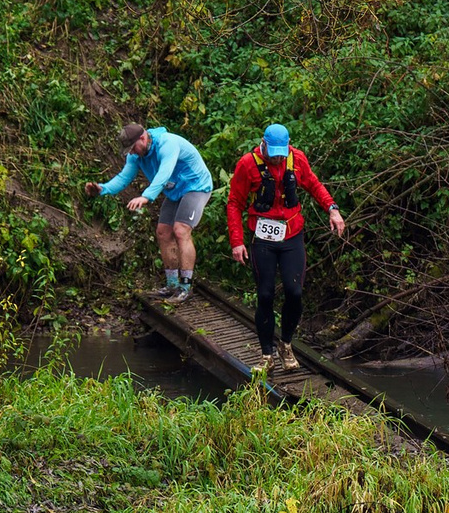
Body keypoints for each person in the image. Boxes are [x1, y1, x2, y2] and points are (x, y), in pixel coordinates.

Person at [225, 123, 344, 373]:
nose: (277, 159)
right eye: (273, 154)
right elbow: (235, 202)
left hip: (291, 234)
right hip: (263, 237)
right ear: (263, 144)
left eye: (281, 154)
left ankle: (286, 344)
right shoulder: (247, 164)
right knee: (265, 294)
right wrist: (237, 241)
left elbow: (314, 185)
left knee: (294, 292)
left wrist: (332, 209)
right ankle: (266, 355)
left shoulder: (297, 158)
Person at [86, 122, 215, 302]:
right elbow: (123, 178)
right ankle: (171, 284)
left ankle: (185, 287)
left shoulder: (167, 143)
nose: (132, 152)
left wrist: (146, 196)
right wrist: (102, 189)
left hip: (196, 186)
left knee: (181, 230)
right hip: (175, 191)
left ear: (143, 137)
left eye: (133, 148)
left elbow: (164, 173)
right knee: (163, 232)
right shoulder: (135, 156)